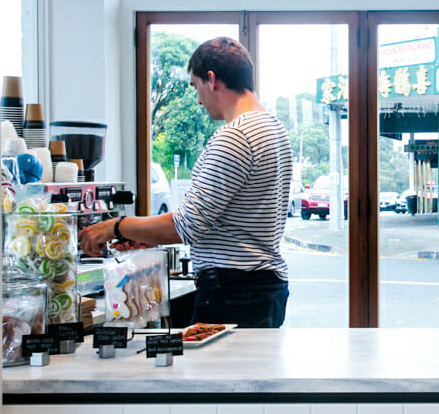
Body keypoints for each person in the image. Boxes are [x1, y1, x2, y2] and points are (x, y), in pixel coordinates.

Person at [79, 37, 293, 328]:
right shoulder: (273, 128)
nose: (198, 99)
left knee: (216, 375)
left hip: (233, 291)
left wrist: (114, 226)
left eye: (195, 87)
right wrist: (144, 236)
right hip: (263, 287)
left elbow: (188, 225)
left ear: (212, 79)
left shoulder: (235, 136)